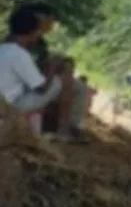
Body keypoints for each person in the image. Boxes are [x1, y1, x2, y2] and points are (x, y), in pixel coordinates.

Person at [0, 9, 82, 142]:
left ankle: (43, 125)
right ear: (33, 32)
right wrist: (52, 66)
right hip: (12, 106)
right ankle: (62, 130)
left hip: (5, 101)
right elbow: (42, 88)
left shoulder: (3, 48)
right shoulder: (20, 54)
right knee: (60, 79)